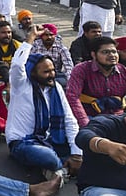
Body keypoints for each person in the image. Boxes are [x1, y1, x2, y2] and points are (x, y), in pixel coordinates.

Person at [7, 25, 83, 182]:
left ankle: (59, 169)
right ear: (33, 73)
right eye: (46, 72)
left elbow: (69, 120)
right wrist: (30, 38)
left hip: (50, 139)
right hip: (23, 142)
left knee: (86, 146)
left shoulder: (56, 88)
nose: (52, 75)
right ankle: (59, 169)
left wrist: (76, 155)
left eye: (53, 70)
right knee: (46, 156)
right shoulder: (21, 85)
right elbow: (16, 65)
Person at [65, 36, 126, 128]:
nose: (112, 55)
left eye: (114, 52)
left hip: (118, 118)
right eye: (105, 52)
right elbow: (72, 97)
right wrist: (85, 124)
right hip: (89, 118)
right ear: (94, 55)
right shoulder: (81, 70)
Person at [30, 24, 73, 88]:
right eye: (46, 35)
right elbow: (29, 62)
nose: (49, 37)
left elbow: (69, 66)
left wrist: (70, 83)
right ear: (42, 36)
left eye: (51, 35)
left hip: (55, 75)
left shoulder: (61, 47)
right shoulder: (35, 45)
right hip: (38, 74)